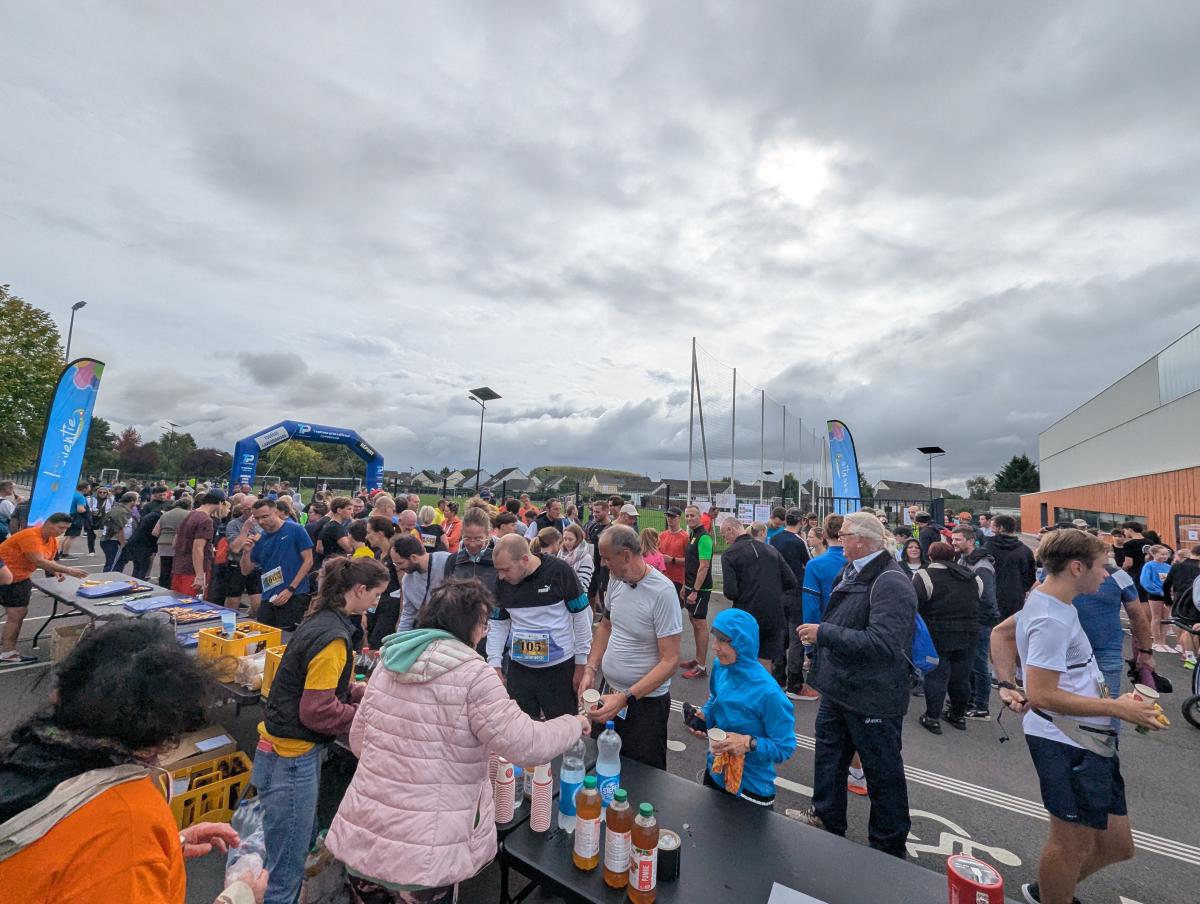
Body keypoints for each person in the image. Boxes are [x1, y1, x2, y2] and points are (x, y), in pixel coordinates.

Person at [327, 579, 589, 902]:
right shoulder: (473, 674)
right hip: (424, 851)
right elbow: (527, 744)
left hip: (364, 835)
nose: (484, 631)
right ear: (470, 625)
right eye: (483, 623)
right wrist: (574, 723)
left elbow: (359, 740)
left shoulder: (389, 663)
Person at [0, 620, 267, 903]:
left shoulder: (33, 756)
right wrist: (240, 896)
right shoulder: (126, 822)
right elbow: (103, 852)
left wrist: (166, 846)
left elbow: (58, 862)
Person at [989, 529, 1164, 904]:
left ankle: (1050, 891)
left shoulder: (1053, 601)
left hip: (1091, 737)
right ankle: (1053, 896)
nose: (1106, 575)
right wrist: (1118, 707)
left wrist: (1006, 684)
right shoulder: (1050, 617)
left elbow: (1001, 633)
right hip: (1066, 739)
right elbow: (1042, 695)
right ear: (1076, 567)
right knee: (1072, 844)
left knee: (1118, 846)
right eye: (1102, 566)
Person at [254, 555, 387, 904]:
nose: (376, 603)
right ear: (359, 590)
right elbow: (317, 710)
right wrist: (362, 716)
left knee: (290, 842)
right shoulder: (333, 638)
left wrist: (354, 691)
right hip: (291, 756)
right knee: (285, 868)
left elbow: (317, 684)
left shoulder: (322, 620)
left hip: (281, 749)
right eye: (375, 595)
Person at [789, 512, 917, 860]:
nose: (838, 540)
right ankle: (826, 817)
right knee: (829, 756)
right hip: (841, 686)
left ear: (861, 539)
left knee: (882, 771)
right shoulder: (854, 569)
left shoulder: (890, 580)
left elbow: (885, 643)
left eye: (844, 535)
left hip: (872, 694)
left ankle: (888, 847)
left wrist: (824, 633)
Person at [580, 525, 682, 769]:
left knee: (641, 776)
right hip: (610, 692)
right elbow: (606, 626)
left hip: (644, 704)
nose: (603, 564)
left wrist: (626, 697)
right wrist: (590, 668)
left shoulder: (663, 592)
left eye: (606, 558)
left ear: (626, 555)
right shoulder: (617, 581)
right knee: (601, 763)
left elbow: (670, 661)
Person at [685, 608, 796, 808]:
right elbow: (715, 698)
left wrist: (748, 743)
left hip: (750, 787)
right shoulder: (721, 667)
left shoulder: (769, 693)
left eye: (723, 641)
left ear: (742, 643)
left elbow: (785, 747)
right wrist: (705, 716)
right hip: (716, 771)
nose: (714, 647)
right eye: (715, 638)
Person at [489, 534, 591, 719]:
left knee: (562, 728)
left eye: (506, 569)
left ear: (524, 560)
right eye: (498, 570)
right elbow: (498, 624)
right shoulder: (502, 582)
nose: (501, 576)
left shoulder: (559, 571)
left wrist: (581, 664)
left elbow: (581, 617)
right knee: (521, 727)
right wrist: (494, 663)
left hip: (558, 670)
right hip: (520, 670)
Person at [912, 542, 982, 733]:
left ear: (930, 556)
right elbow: (980, 600)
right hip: (969, 632)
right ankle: (958, 715)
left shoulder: (924, 575)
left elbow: (914, 603)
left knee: (936, 675)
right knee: (961, 677)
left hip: (937, 633)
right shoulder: (972, 577)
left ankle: (932, 717)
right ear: (953, 556)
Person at [0, 514, 88, 664]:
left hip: (20, 578)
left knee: (18, 613)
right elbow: (38, 560)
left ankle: (8, 652)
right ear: (48, 524)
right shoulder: (31, 536)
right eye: (60, 528)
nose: (63, 531)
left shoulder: (52, 540)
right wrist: (68, 570)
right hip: (5, 577)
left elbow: (49, 559)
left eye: (66, 529)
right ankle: (8, 652)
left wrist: (55, 570)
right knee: (16, 614)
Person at [720, 518, 797, 667]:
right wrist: (771, 589)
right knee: (765, 660)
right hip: (773, 615)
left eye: (724, 536)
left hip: (746, 615)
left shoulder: (729, 554)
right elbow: (791, 581)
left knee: (743, 658)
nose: (726, 541)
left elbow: (730, 592)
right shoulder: (771, 550)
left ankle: (746, 683)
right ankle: (764, 682)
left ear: (731, 530)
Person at [950, 526, 1002, 720]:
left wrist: (977, 614)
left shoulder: (981, 566)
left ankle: (982, 706)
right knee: (970, 663)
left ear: (970, 541)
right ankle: (971, 700)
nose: (953, 542)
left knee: (979, 664)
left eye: (958, 539)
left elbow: (987, 597)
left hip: (981, 620)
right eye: (953, 539)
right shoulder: (963, 559)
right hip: (971, 619)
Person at [241, 498, 315, 630]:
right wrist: (246, 552)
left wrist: (290, 589)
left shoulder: (295, 529)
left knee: (286, 635)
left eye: (265, 516)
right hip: (269, 595)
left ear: (276, 512)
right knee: (265, 633)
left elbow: (308, 560)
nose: (261, 521)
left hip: (294, 594)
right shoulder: (260, 538)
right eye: (257, 518)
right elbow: (245, 570)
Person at [770, 509, 812, 700]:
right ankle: (795, 683)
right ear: (801, 521)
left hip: (778, 591)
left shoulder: (775, 539)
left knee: (780, 635)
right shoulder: (799, 541)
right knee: (796, 638)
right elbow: (809, 563)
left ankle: (778, 676)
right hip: (796, 592)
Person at [679, 505, 714, 680]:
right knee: (694, 621)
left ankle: (701, 667)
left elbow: (704, 566)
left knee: (700, 624)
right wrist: (685, 586)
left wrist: (695, 591)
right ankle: (697, 659)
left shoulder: (704, 537)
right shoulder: (693, 536)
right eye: (687, 516)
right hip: (691, 587)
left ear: (700, 516)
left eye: (692, 515)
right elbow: (690, 564)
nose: (689, 518)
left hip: (701, 589)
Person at [171, 489, 226, 596]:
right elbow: (197, 548)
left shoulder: (190, 514)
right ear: (220, 502)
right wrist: (200, 575)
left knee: (177, 601)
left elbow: (175, 542)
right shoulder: (206, 520)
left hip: (179, 567)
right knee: (191, 603)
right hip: (193, 571)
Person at [392, 533, 451, 632]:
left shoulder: (447, 561)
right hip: (430, 632)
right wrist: (399, 639)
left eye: (400, 563)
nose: (398, 568)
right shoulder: (407, 581)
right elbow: (407, 616)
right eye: (395, 564)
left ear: (414, 558)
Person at [984, 514, 1037, 618]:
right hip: (1016, 597)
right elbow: (1031, 577)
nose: (990, 529)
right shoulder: (1025, 550)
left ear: (1001, 528)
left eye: (993, 527)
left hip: (993, 596)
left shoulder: (988, 547)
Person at [224, 499, 264, 613]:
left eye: (254, 509)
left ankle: (249, 619)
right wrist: (245, 528)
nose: (251, 512)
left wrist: (260, 540)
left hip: (257, 566)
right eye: (247, 509)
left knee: (258, 604)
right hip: (236, 565)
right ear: (242, 509)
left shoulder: (263, 523)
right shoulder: (233, 524)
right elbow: (235, 548)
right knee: (233, 602)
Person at [1163, 545, 1200, 668]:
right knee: (1194, 630)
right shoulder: (1198, 567)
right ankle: (1194, 657)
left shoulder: (1177, 566)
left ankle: (1188, 656)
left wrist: (1168, 601)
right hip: (1195, 601)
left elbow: (1166, 584)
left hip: (1180, 601)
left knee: (1186, 629)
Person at [1140, 545, 1173, 652]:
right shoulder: (1149, 565)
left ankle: (1163, 642)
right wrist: (1158, 591)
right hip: (1155, 595)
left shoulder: (1168, 567)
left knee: (1165, 619)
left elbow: (1172, 580)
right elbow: (1145, 581)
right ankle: (1156, 641)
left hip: (1167, 595)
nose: (1164, 556)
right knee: (1156, 617)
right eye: (1162, 554)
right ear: (1153, 554)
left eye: (1166, 554)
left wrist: (1171, 590)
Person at [584, 496, 611, 610]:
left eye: (598, 512)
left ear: (606, 511)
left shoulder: (612, 528)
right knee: (590, 592)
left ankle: (605, 616)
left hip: (605, 567)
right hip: (592, 565)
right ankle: (592, 615)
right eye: (593, 511)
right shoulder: (593, 525)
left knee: (604, 593)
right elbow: (588, 541)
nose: (594, 514)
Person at [100, 491, 137, 572]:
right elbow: (118, 528)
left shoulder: (124, 510)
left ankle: (113, 579)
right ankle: (108, 579)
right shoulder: (120, 511)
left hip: (116, 542)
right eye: (137, 499)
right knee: (113, 566)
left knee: (118, 565)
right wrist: (123, 543)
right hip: (114, 542)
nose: (139, 502)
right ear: (132, 501)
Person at [315, 497, 355, 571]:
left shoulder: (327, 525)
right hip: (336, 566)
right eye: (349, 509)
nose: (352, 512)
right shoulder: (337, 528)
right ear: (339, 510)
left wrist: (329, 554)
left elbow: (319, 548)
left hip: (327, 562)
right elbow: (349, 549)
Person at [557, 522, 594, 597]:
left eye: (570, 539)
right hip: (560, 595)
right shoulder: (561, 552)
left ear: (578, 539)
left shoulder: (585, 557)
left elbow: (583, 585)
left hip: (577, 597)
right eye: (565, 539)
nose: (567, 542)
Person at [658, 507, 688, 596]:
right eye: (668, 516)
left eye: (672, 516)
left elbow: (690, 561)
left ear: (679, 518)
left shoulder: (685, 537)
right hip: (662, 578)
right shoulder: (661, 535)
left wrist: (672, 560)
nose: (669, 518)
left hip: (678, 580)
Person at [58, 481, 90, 559]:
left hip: (68, 515)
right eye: (88, 488)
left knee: (67, 535)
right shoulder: (81, 497)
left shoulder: (72, 494)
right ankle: (65, 553)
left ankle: (61, 551)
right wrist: (88, 511)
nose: (89, 489)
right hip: (76, 517)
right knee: (72, 536)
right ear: (84, 488)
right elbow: (80, 509)